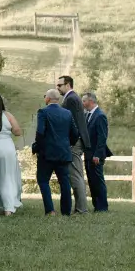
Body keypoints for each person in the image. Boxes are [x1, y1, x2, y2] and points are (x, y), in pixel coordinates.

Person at [33, 88, 79, 217]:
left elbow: (40, 133)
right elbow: (75, 133)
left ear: (47, 99)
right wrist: (68, 144)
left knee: (43, 180)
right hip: (63, 152)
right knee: (64, 182)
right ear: (58, 99)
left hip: (46, 153)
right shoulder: (67, 113)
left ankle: (50, 210)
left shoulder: (43, 112)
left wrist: (38, 147)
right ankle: (66, 211)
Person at [58, 75, 92, 215]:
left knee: (75, 176)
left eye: (60, 85)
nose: (57, 88)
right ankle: (80, 207)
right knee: (77, 175)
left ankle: (81, 209)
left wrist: (70, 141)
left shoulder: (71, 99)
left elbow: (70, 123)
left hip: (74, 141)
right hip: (77, 140)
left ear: (68, 85)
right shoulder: (74, 98)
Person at [83, 91, 111, 212]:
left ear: (91, 101)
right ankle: (97, 206)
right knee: (92, 180)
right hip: (88, 154)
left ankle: (102, 207)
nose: (82, 103)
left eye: (84, 101)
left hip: (95, 155)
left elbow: (102, 137)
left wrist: (97, 155)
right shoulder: (88, 115)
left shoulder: (100, 116)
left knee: (98, 181)